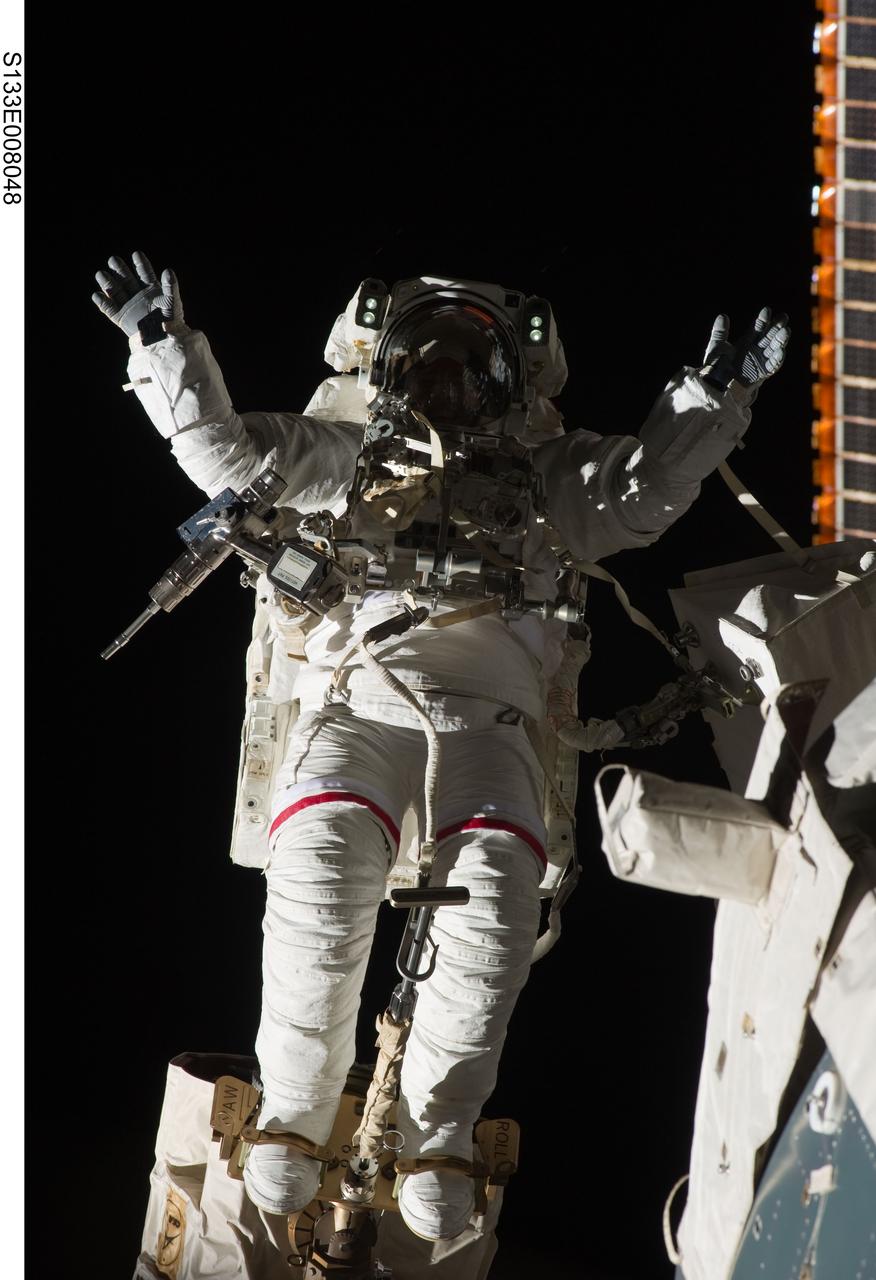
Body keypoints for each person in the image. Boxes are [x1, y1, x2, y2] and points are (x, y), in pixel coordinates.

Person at [92, 252, 789, 1242]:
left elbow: (640, 488)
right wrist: (163, 346)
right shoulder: (342, 452)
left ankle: (438, 1132)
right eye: (427, 359)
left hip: (493, 715)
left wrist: (713, 396)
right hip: (360, 694)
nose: (446, 379)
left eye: (468, 361)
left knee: (496, 888)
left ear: (507, 378)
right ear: (390, 369)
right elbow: (229, 459)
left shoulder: (551, 475)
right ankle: (292, 1110)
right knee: (321, 864)